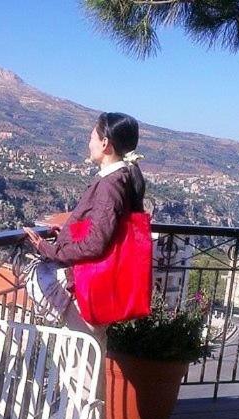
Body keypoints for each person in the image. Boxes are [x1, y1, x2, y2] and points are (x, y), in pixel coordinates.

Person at [23, 111, 147, 367]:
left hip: (89, 288)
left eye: (92, 137)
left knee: (81, 367)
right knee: (88, 360)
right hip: (99, 286)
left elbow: (96, 243)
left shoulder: (111, 184)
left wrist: (48, 249)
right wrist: (69, 233)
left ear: (105, 143)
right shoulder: (121, 178)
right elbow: (106, 228)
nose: (89, 143)